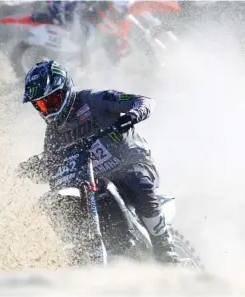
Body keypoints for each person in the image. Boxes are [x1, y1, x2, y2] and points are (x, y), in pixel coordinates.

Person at [18, 59, 180, 264]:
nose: (48, 109)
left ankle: (165, 248)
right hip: (93, 181)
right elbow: (52, 162)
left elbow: (144, 101)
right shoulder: (53, 132)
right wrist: (32, 169)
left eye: (52, 101)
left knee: (136, 181)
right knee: (60, 205)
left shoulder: (94, 99)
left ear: (66, 89)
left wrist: (130, 116)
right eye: (41, 104)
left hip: (130, 163)